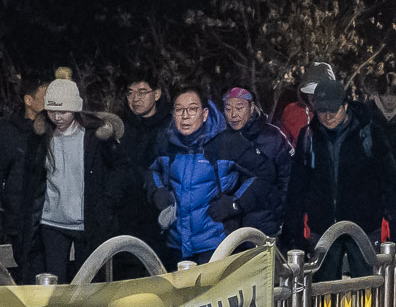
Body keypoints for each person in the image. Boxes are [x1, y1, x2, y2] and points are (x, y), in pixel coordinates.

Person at [284, 69, 396, 276]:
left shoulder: (370, 133)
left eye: (333, 110)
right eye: (322, 111)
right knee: (324, 293)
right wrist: (293, 231)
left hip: (364, 227)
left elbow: (391, 181)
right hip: (322, 228)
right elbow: (297, 187)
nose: (327, 116)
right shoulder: (309, 136)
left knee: (367, 288)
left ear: (345, 105)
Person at [12, 73, 123, 283]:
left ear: (75, 108)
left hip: (86, 221)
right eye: (52, 110)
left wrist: (107, 202)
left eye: (63, 110)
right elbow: (30, 177)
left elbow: (120, 169)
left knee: (87, 284)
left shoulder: (95, 137)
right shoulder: (41, 137)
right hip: (52, 221)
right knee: (54, 282)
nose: (57, 116)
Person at [147, 89, 277, 263]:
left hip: (217, 246)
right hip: (176, 245)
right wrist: (158, 191)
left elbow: (265, 173)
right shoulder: (166, 143)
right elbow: (151, 171)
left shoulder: (226, 143)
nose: (185, 116)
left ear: (205, 113)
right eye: (179, 110)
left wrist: (235, 204)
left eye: (192, 109)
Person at [0, 74, 47, 254]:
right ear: (29, 100)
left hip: (53, 222)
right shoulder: (7, 134)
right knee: (29, 275)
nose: (51, 100)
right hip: (21, 223)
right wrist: (3, 201)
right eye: (45, 95)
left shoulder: (56, 130)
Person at [220, 86, 293, 236]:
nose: (233, 115)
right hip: (229, 228)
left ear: (252, 107)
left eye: (239, 108)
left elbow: (288, 179)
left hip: (266, 225)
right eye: (228, 109)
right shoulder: (221, 140)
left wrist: (281, 215)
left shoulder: (273, 137)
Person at [115, 75, 173, 254]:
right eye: (130, 93)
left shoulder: (169, 127)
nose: (135, 99)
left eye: (142, 92)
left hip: (157, 214)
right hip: (126, 214)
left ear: (156, 94)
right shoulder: (121, 127)